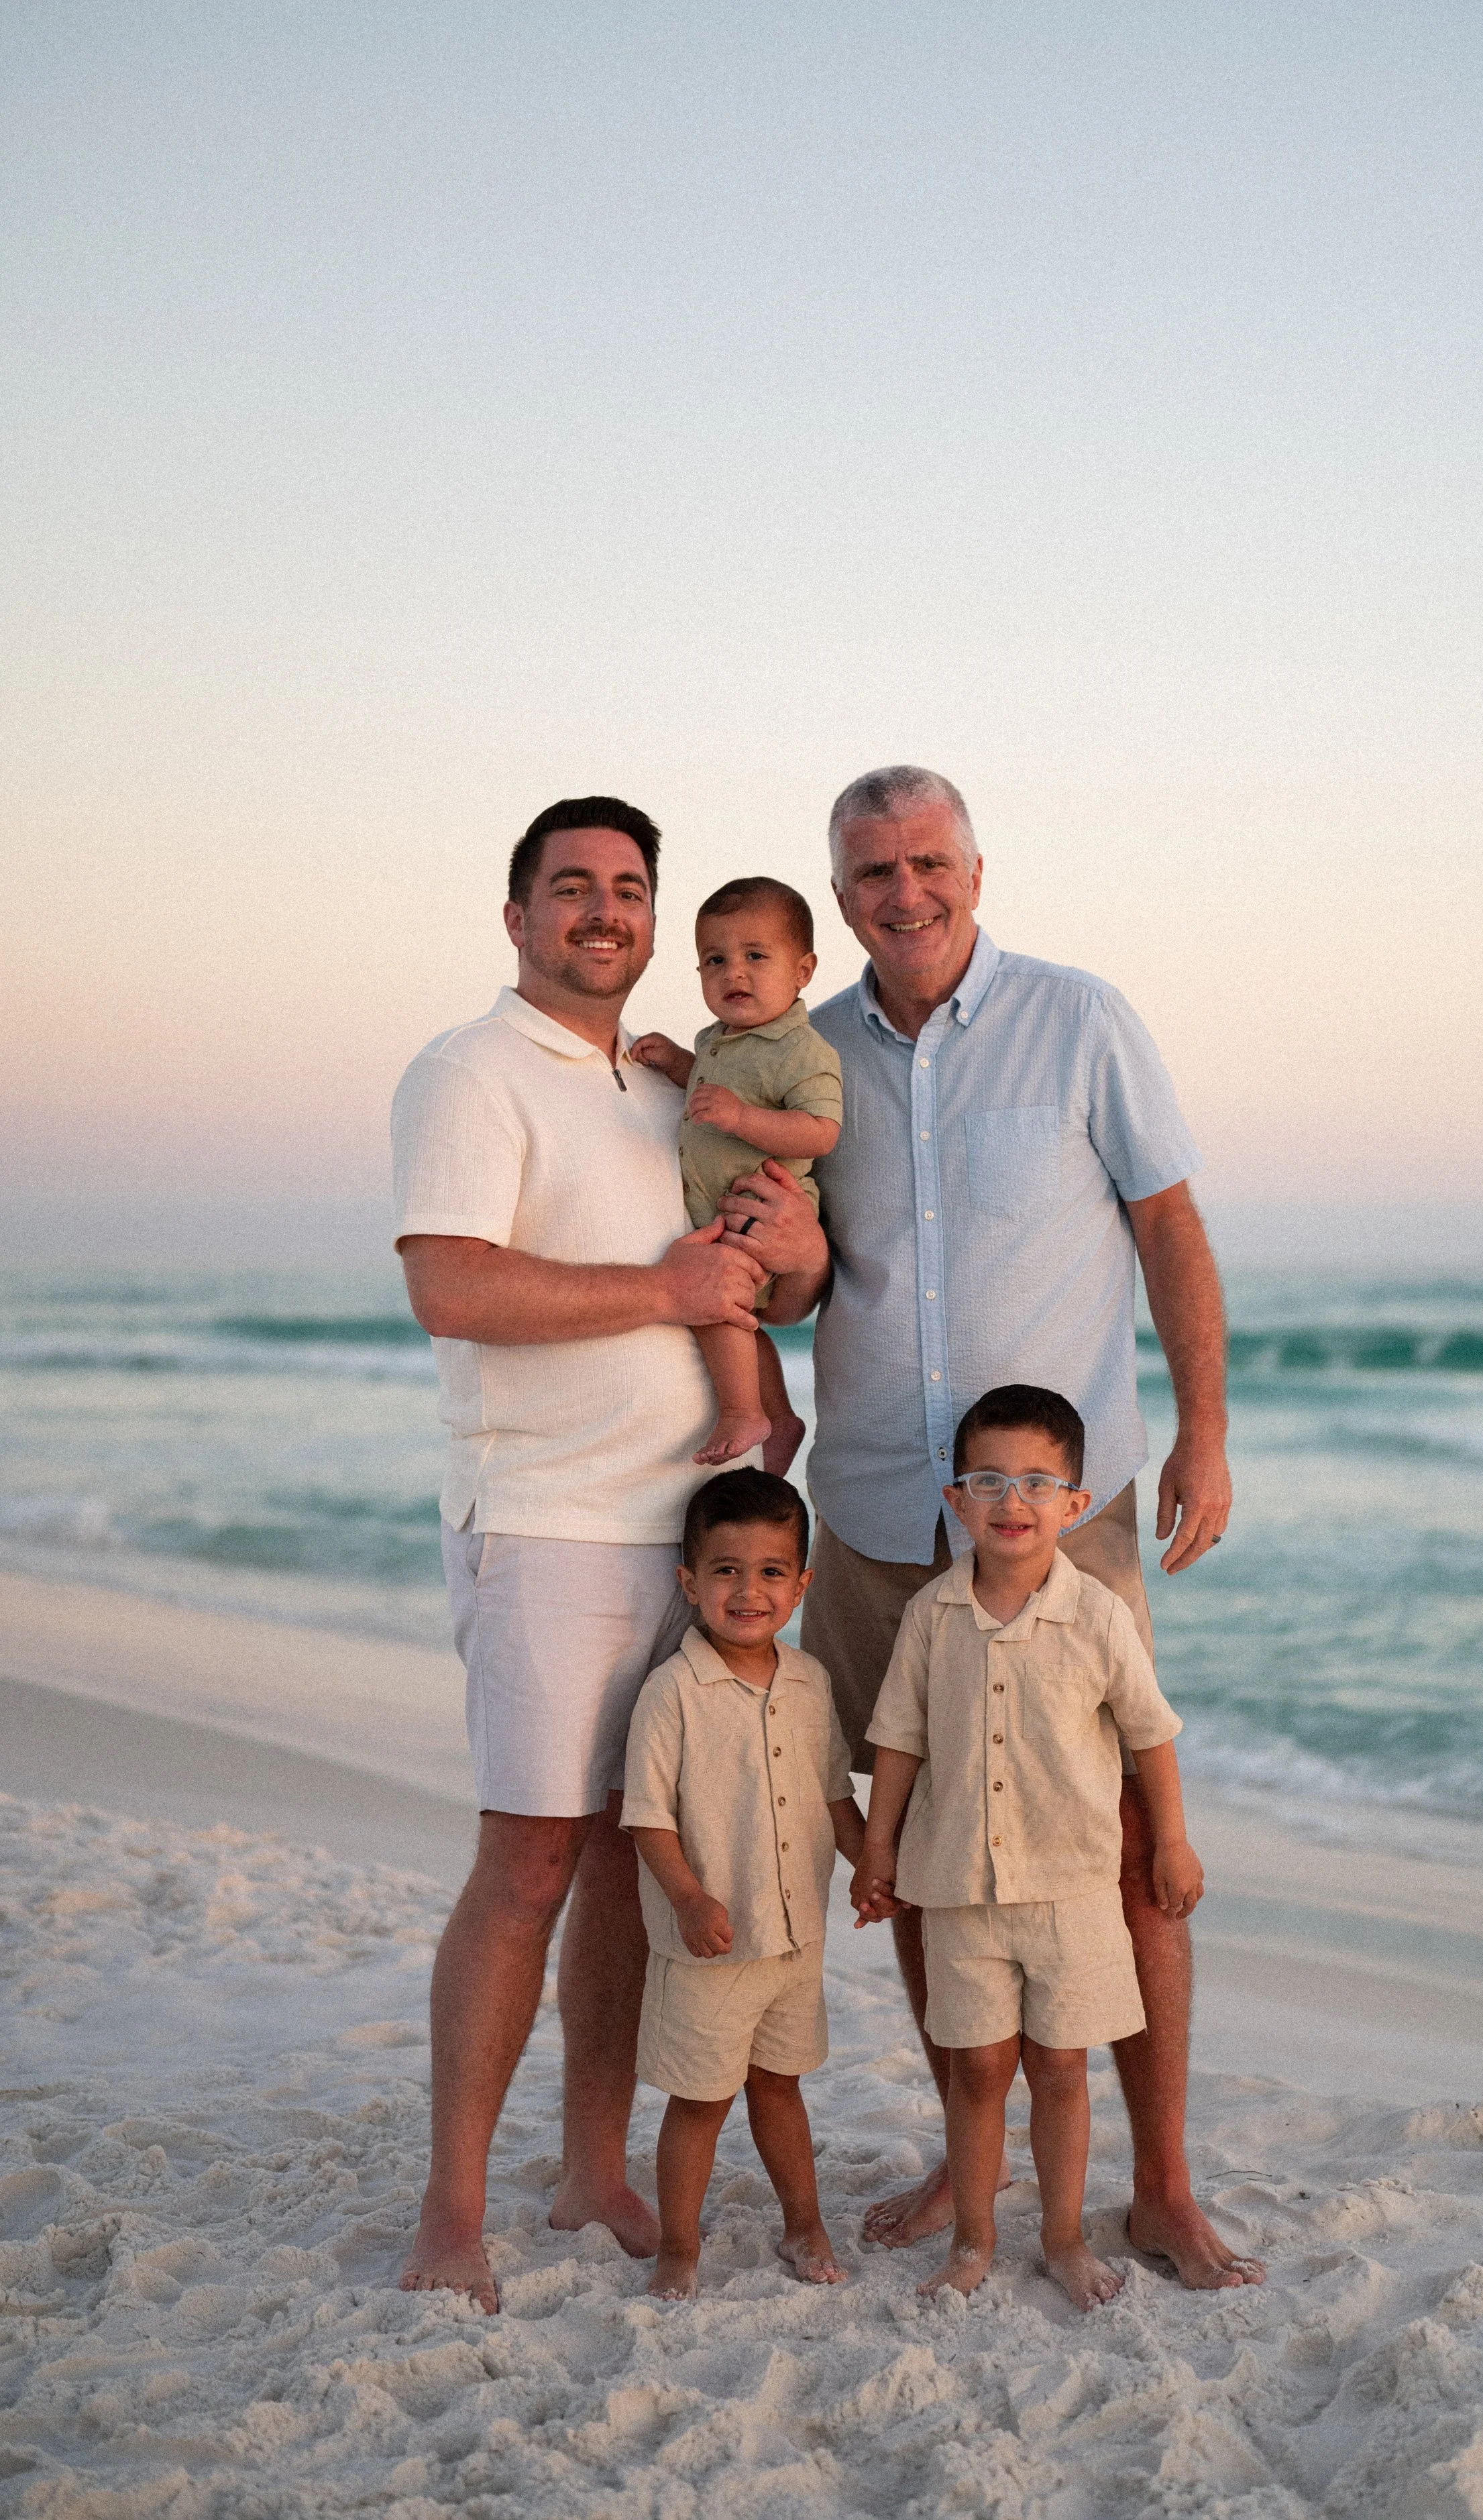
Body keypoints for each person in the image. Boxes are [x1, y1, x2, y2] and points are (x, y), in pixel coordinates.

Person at [708, 763, 1263, 2291]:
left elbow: (1170, 1225)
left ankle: (1159, 2183)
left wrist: (1205, 1432)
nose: (907, 891)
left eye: (930, 860)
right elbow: (808, 1277)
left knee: (1131, 1846)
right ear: (840, 896)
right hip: (882, 1514)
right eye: (874, 870)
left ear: (975, 866)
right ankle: (967, 2167)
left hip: (1059, 1531)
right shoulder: (807, 1062)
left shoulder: (1082, 1020)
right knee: (921, 1855)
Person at [389, 796, 785, 2315]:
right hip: (546, 1522)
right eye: (572, 888)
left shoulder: (663, 1085)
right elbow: (452, 1286)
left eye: (628, 889)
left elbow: (749, 1270)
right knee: (529, 1861)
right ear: (517, 916)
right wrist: (664, 1285)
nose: (603, 912)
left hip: (679, 1537)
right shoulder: (470, 1070)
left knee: (627, 1858)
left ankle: (592, 2168)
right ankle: (452, 2209)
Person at [853, 1386, 1202, 2310]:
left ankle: (1062, 2237)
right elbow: (898, 1740)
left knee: (1059, 2066)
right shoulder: (931, 1617)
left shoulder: (1097, 1617)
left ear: (1074, 1505)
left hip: (1073, 1889)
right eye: (990, 1481)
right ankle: (973, 2239)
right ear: (956, 1499)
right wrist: (877, 1848)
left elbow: (1149, 1734)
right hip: (960, 1890)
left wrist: (1172, 1840)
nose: (1014, 1500)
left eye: (1039, 1482)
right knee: (977, 2068)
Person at [622, 1467, 865, 2298]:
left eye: (769, 1572)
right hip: (712, 1946)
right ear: (689, 1582)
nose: (748, 1590)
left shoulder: (809, 1682)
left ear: (800, 1585)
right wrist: (688, 1897)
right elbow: (648, 1815)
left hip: (796, 1938)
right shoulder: (672, 1693)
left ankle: (805, 2226)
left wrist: (872, 1861)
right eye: (725, 1570)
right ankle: (677, 2252)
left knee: (781, 2087)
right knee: (698, 2102)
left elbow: (834, 1788)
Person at [630, 877, 842, 1474]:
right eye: (715, 960)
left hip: (759, 1211)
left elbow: (819, 1130)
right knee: (745, 1325)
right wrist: (678, 1063)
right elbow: (710, 1088)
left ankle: (742, 1412)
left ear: (803, 970)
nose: (734, 974)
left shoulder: (803, 1049)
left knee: (716, 1306)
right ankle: (778, 1413)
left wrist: (743, 1118)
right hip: (729, 1212)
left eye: (756, 956)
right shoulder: (721, 1042)